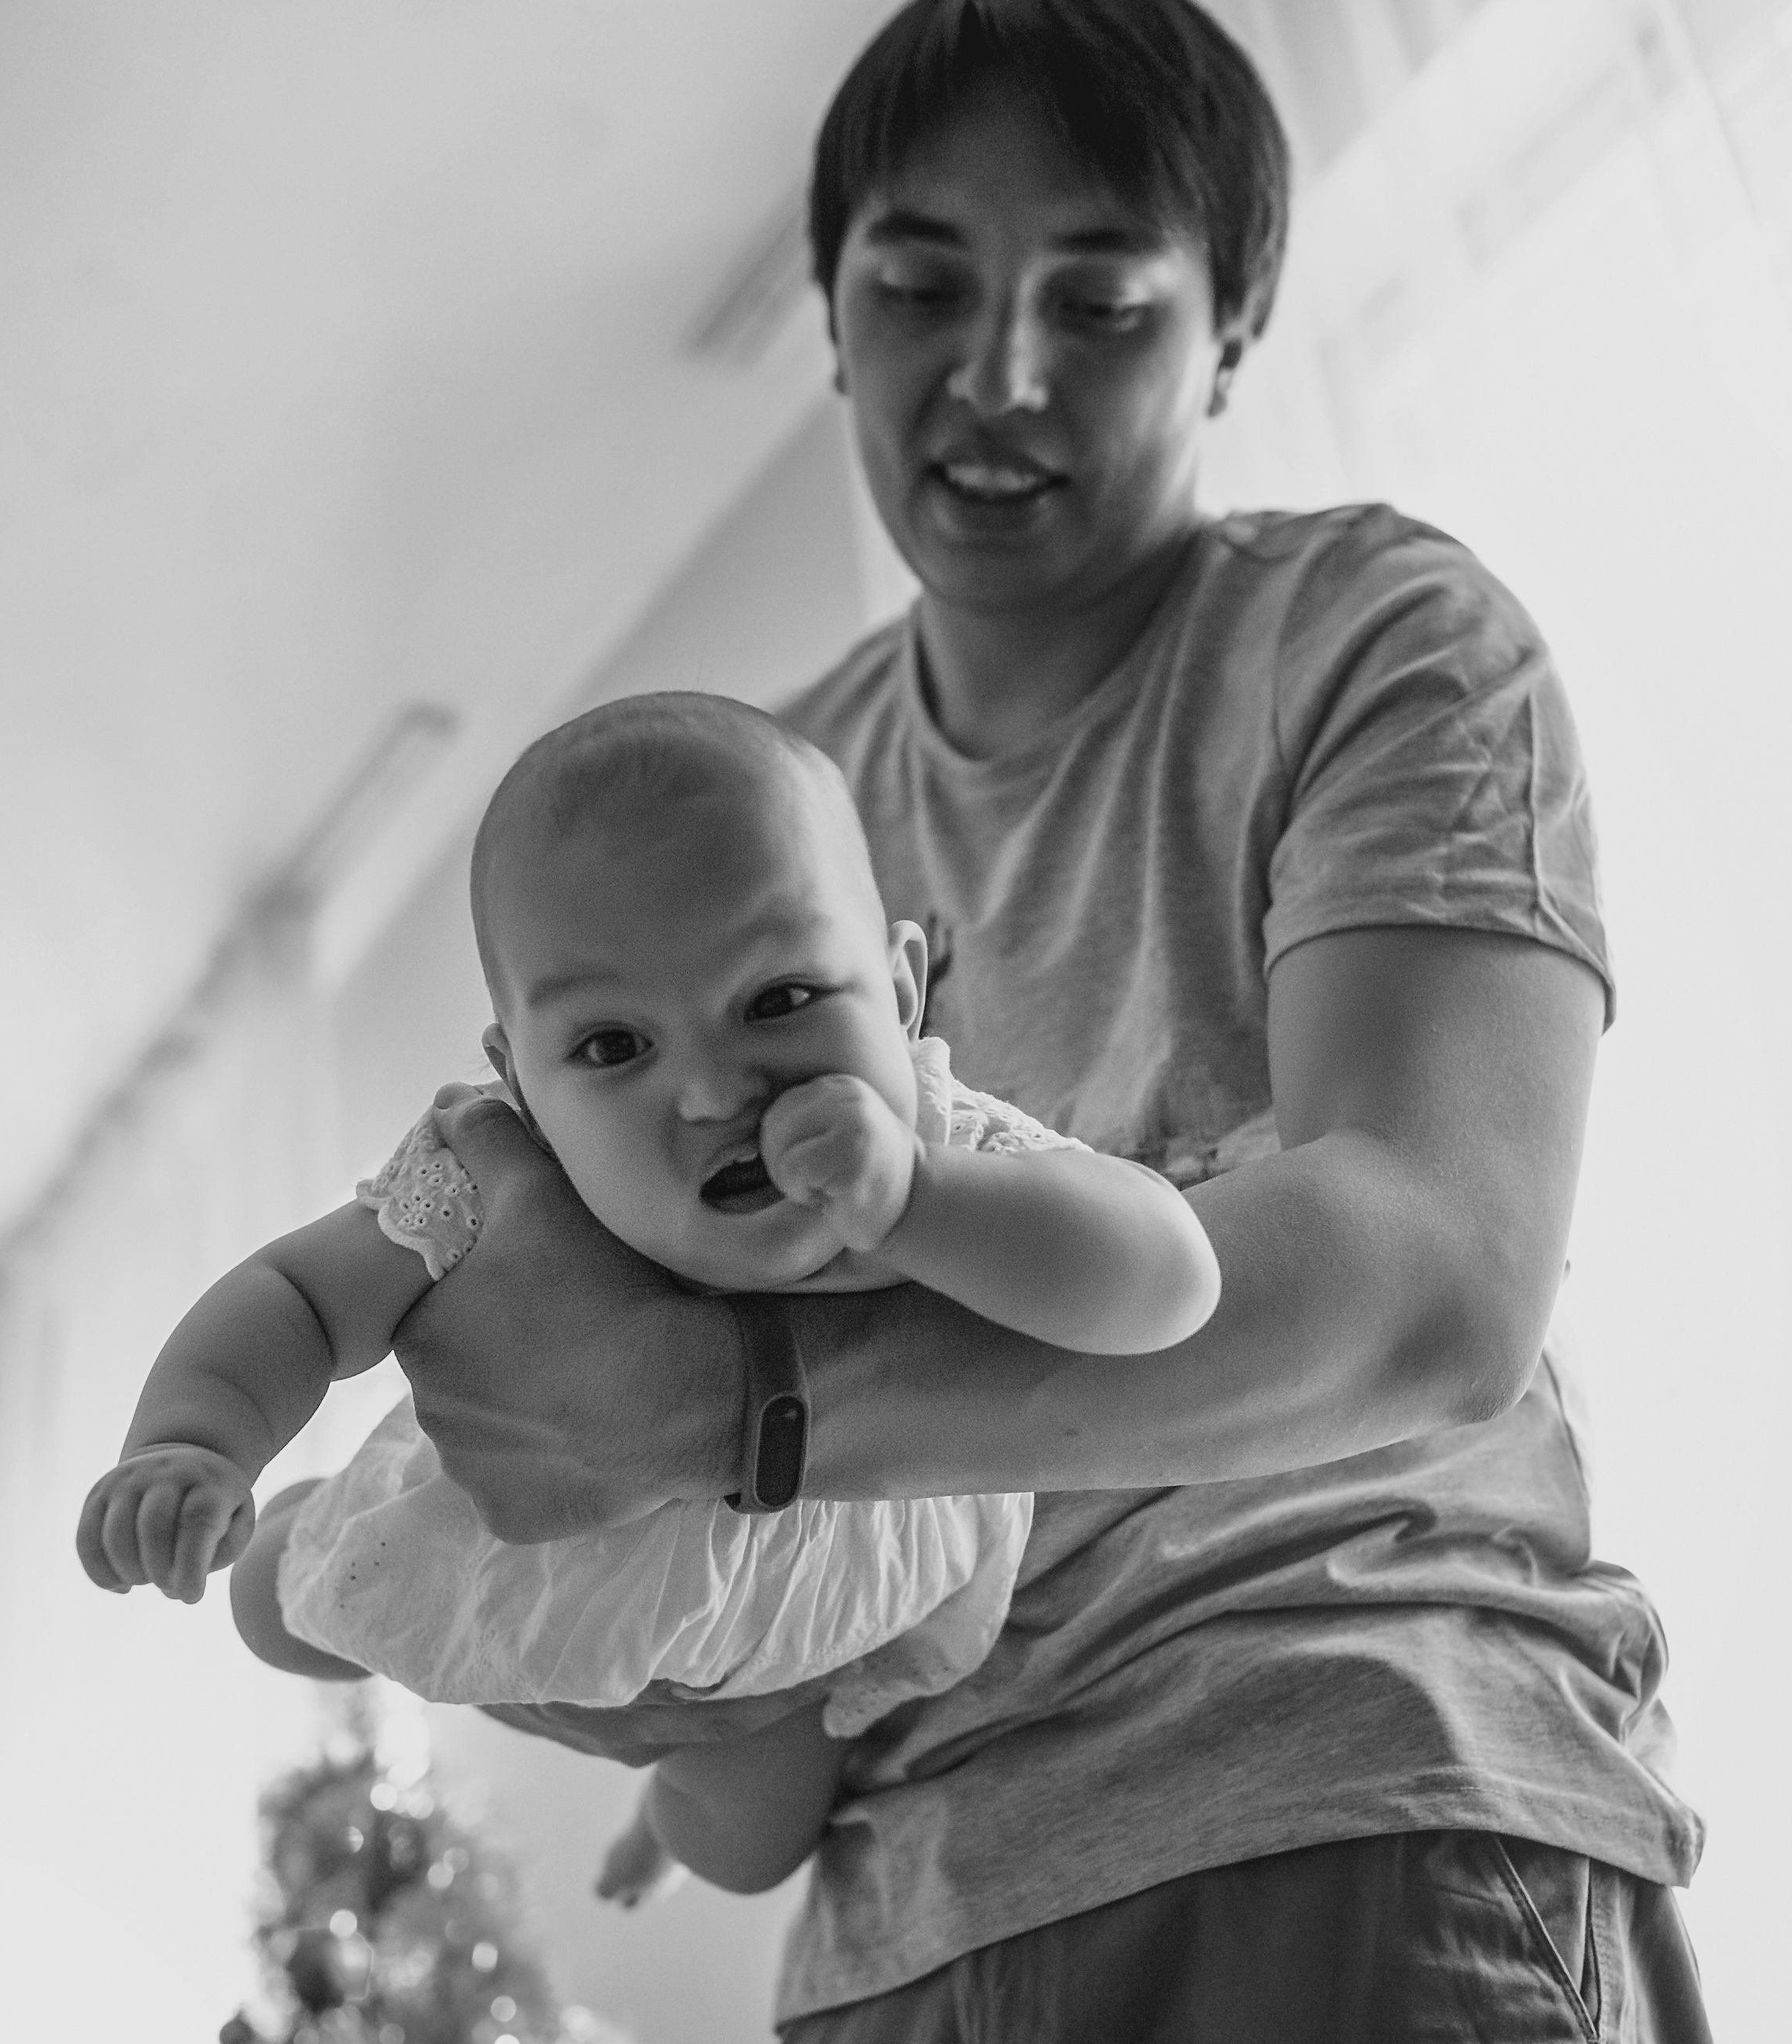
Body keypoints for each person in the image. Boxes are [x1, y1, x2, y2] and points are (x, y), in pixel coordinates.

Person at [372, 0, 1724, 2044]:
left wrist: (751, 1422)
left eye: (1105, 298)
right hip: (900, 1907)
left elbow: (1425, 1283)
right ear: (833, 307)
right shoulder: (739, 803)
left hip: (1351, 1781)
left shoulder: (1375, 643)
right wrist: (603, 1611)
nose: (998, 372)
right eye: (915, 284)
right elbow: (589, 1375)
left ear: (1229, 328)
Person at [76, 690, 1217, 1891]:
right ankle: (306, 1524)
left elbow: (1170, 1283)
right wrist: (196, 1442)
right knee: (274, 1607)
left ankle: (658, 1830)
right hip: (518, 1558)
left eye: (777, 1000)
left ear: (900, 991)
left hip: (796, 1644)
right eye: (615, 1047)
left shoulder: (944, 1144)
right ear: (520, 1080)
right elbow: (298, 1294)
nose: (717, 1090)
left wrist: (918, 1206)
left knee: (746, 1849)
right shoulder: (497, 1174)